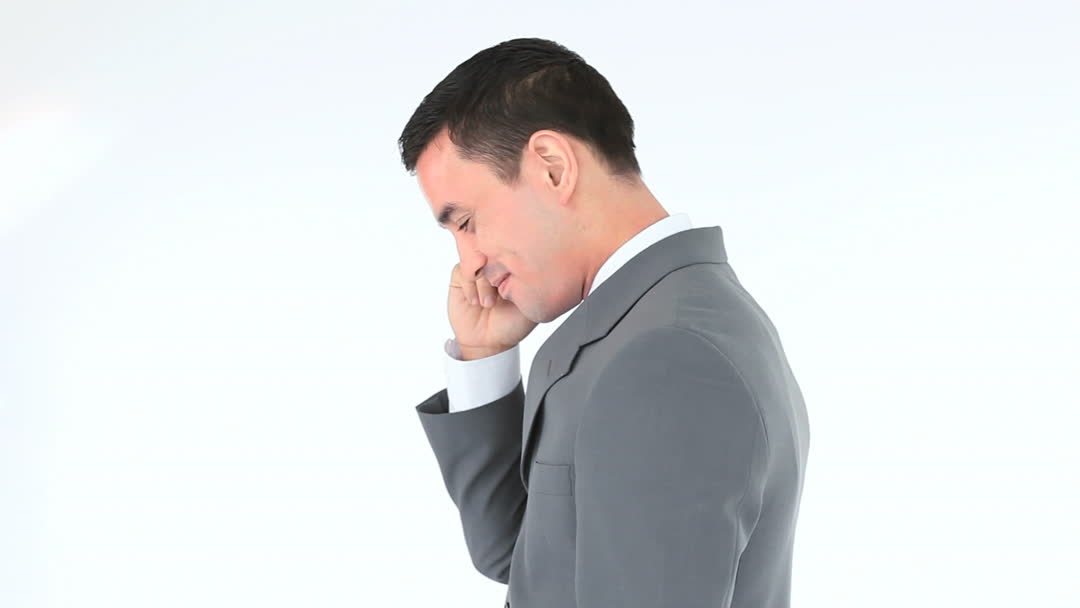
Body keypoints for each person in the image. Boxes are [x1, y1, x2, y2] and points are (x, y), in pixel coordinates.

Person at [397, 37, 810, 608]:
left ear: (552, 167)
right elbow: (518, 556)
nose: (468, 264)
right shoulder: (644, 326)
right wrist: (485, 357)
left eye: (466, 222)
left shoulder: (667, 358)